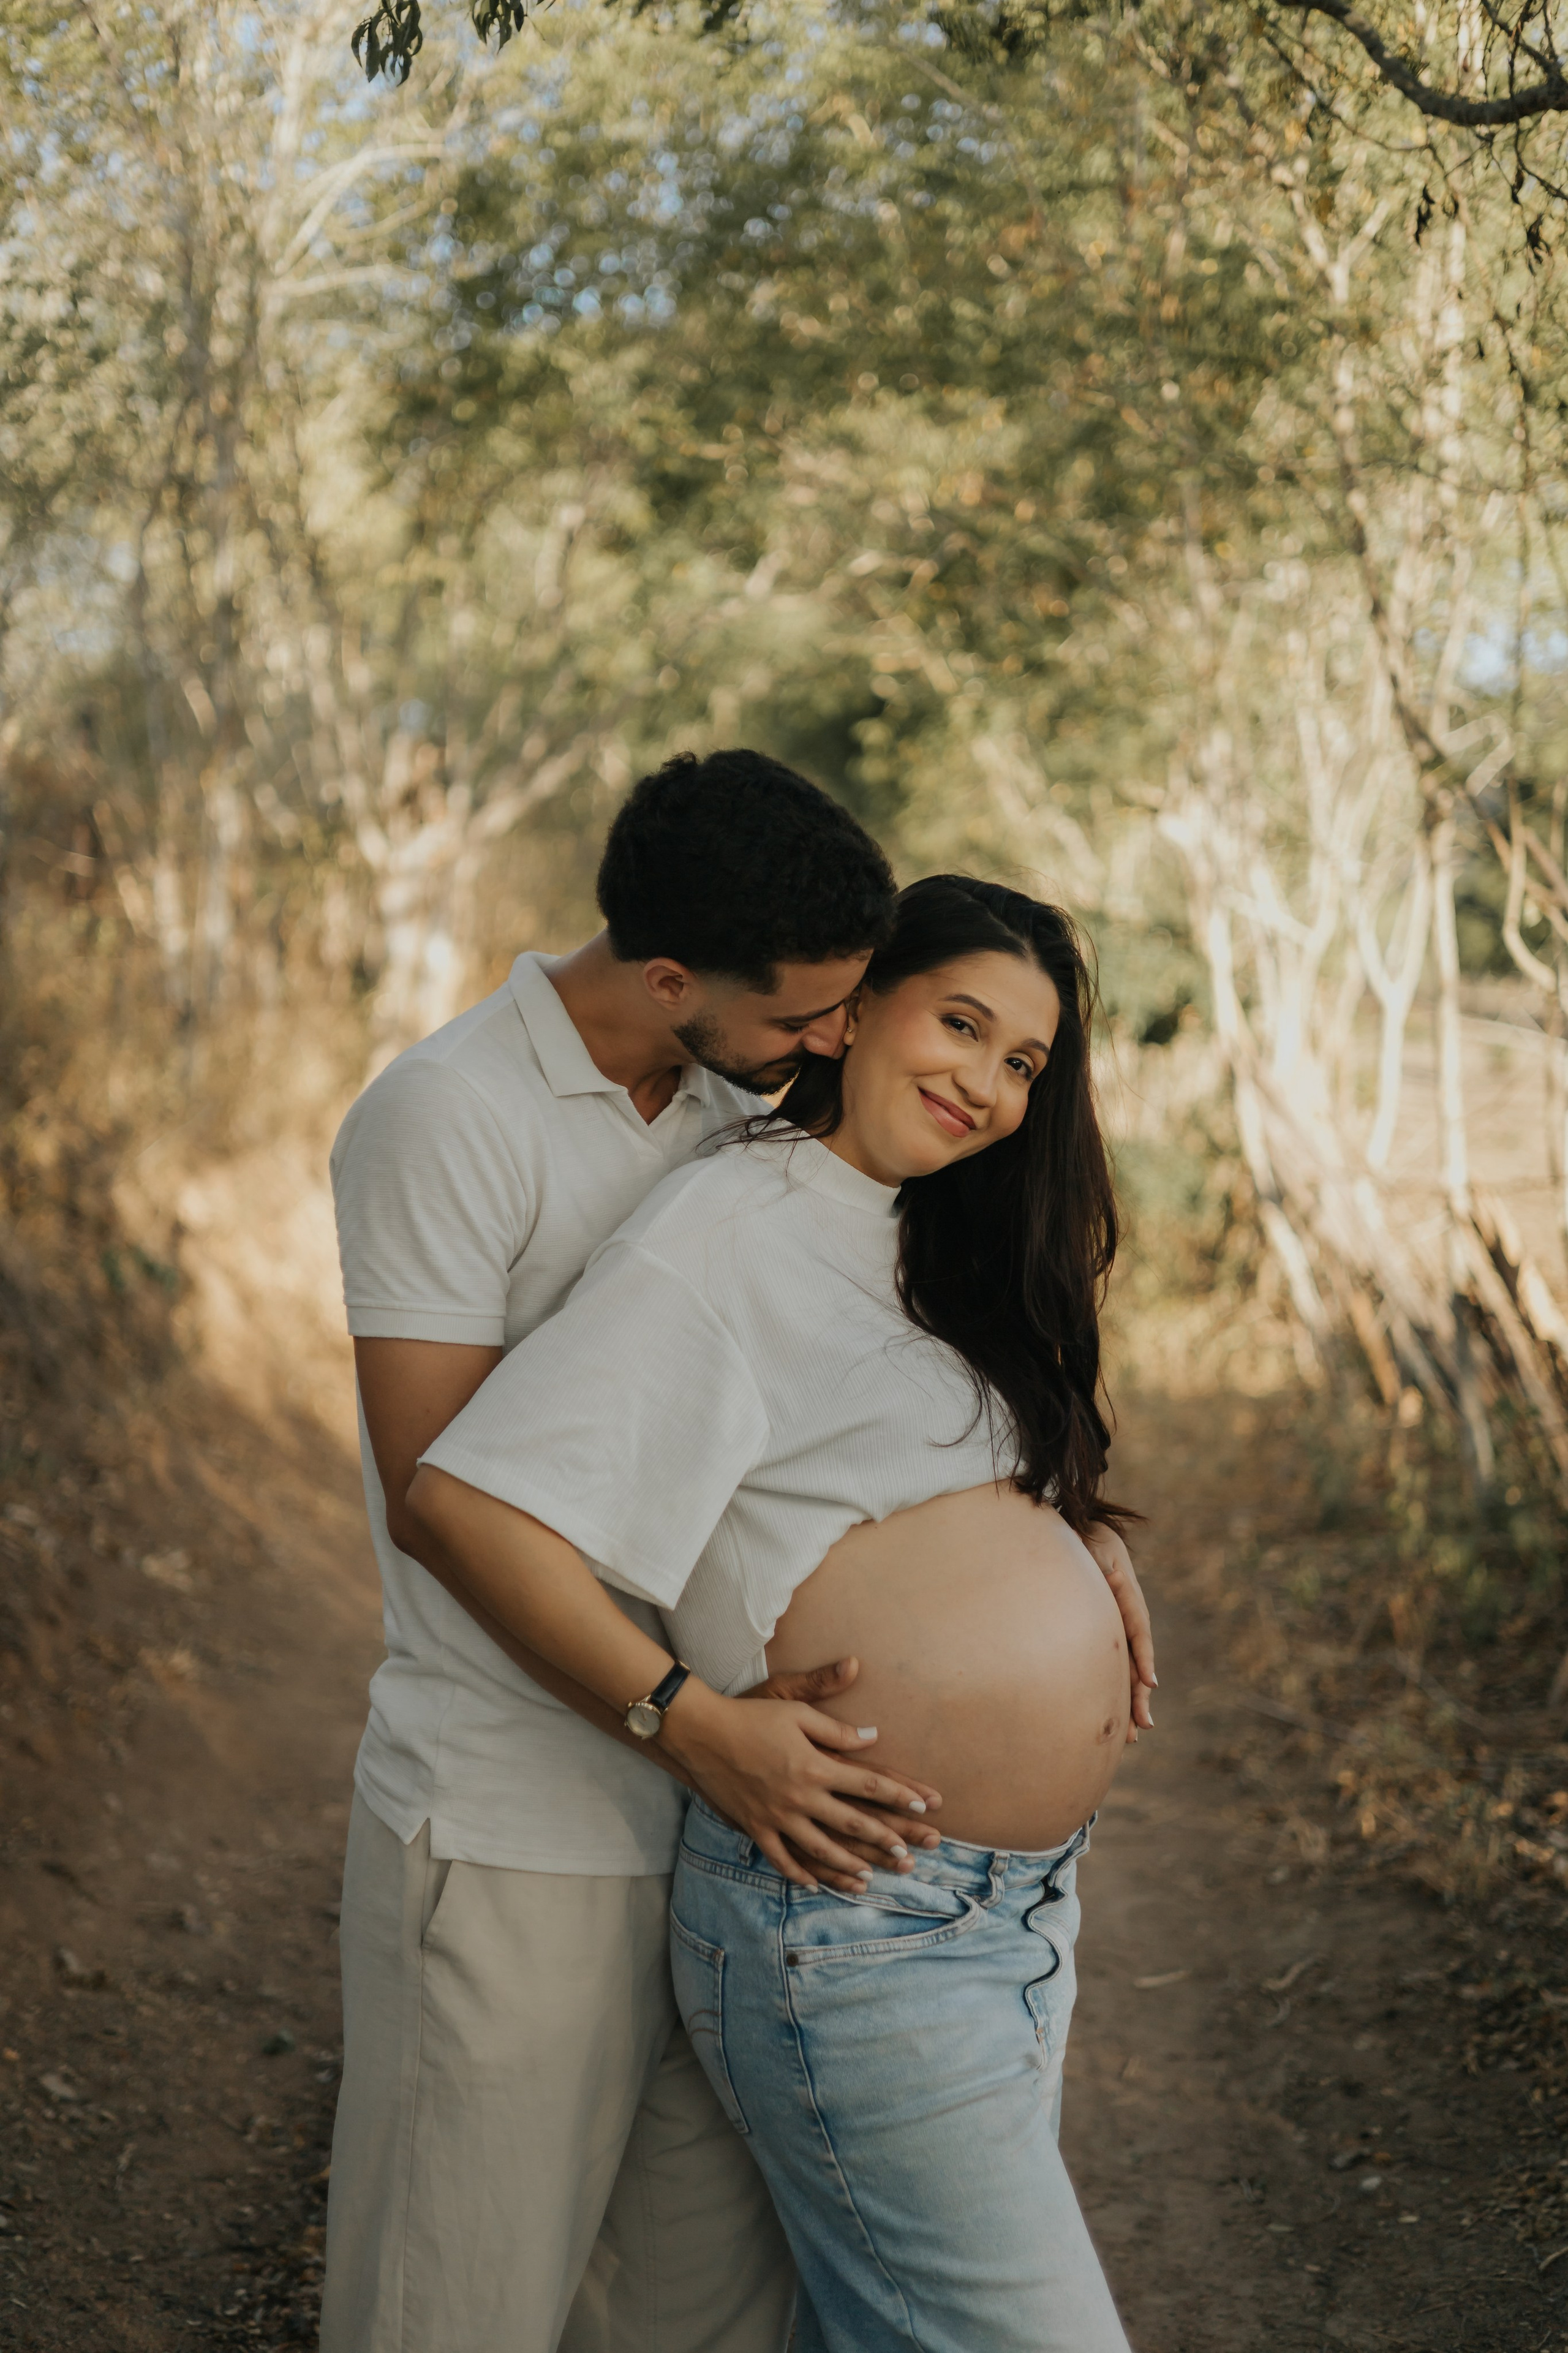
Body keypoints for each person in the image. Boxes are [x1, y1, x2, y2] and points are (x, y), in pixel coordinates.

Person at [409, 873, 1153, 2353]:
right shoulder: (727, 1228)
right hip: (855, 1920)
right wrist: (688, 1727)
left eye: (1022, 1064)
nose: (988, 1085)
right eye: (961, 1022)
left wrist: (1065, 1536)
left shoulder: (921, 1235)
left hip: (1008, 1909)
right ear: (861, 1002)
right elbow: (464, 1506)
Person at [320, 748, 946, 2353]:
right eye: (807, 1012)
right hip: (520, 1827)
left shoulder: (745, 1113)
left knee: (691, 2322)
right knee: (453, 2311)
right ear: (669, 977)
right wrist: (696, 1719)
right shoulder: (449, 1117)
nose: (834, 1039)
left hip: (729, 1848)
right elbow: (439, 1501)